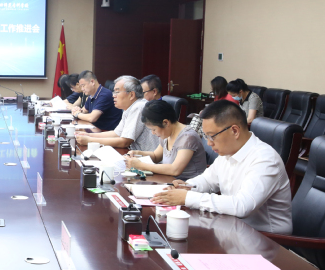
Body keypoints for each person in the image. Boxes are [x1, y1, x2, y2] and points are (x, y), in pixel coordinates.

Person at [151, 100, 292, 234]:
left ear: (235, 131)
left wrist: (187, 197)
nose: (209, 143)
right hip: (232, 229)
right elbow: (207, 180)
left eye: (212, 136)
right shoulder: (228, 153)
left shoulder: (265, 159)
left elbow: (242, 206)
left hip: (265, 239)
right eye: (206, 136)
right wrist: (186, 187)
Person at [124, 100, 206, 180]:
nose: (153, 133)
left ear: (166, 122)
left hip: (187, 184)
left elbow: (175, 170)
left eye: (154, 129)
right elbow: (156, 156)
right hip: (169, 179)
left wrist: (141, 165)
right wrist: (137, 153)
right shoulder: (167, 133)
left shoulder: (187, 137)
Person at [75, 75, 159, 151]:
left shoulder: (138, 107)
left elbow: (125, 142)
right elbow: (116, 133)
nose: (113, 95)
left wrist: (90, 140)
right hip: (133, 154)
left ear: (131, 95)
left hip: (145, 159)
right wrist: (88, 135)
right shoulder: (129, 108)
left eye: (117, 92)